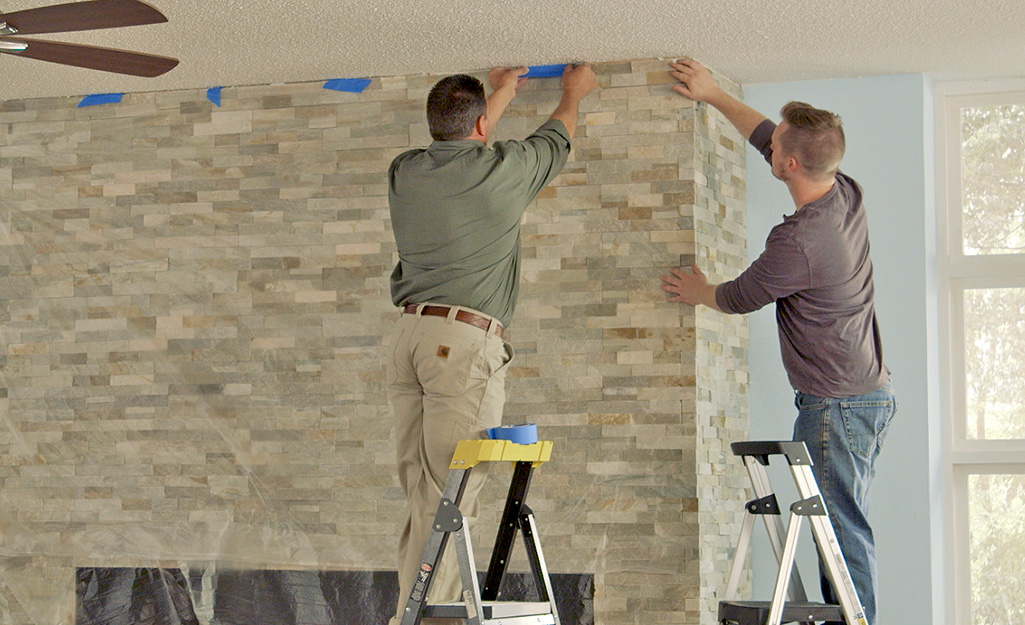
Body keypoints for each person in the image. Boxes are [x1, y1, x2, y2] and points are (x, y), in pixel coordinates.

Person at [659, 59, 896, 625]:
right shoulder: (844, 192)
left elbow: (741, 296)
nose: (768, 148)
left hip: (835, 403)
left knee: (839, 527)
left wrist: (700, 291)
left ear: (790, 165)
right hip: (865, 394)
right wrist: (714, 94)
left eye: (777, 149)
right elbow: (771, 136)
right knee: (840, 522)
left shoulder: (800, 243)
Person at [386, 63, 597, 624]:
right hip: (460, 345)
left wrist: (499, 93)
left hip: (409, 337)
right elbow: (558, 132)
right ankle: (431, 617)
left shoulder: (406, 171)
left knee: (424, 493)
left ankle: (408, 615)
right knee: (452, 494)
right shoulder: (508, 170)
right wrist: (574, 91)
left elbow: (463, 139)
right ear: (482, 125)